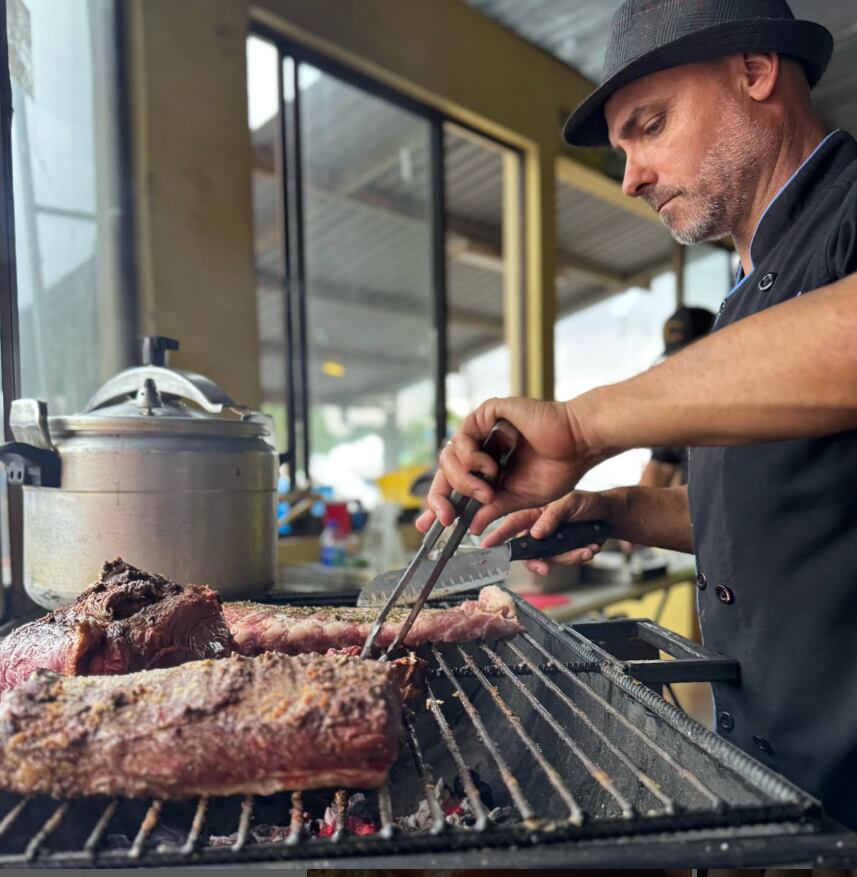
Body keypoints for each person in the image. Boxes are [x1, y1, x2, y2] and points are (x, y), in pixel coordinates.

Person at [417, 0, 857, 829]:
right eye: (622, 149)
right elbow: (797, 509)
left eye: (648, 127)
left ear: (754, 70)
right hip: (789, 782)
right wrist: (613, 510)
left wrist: (583, 426)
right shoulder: (738, 303)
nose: (629, 177)